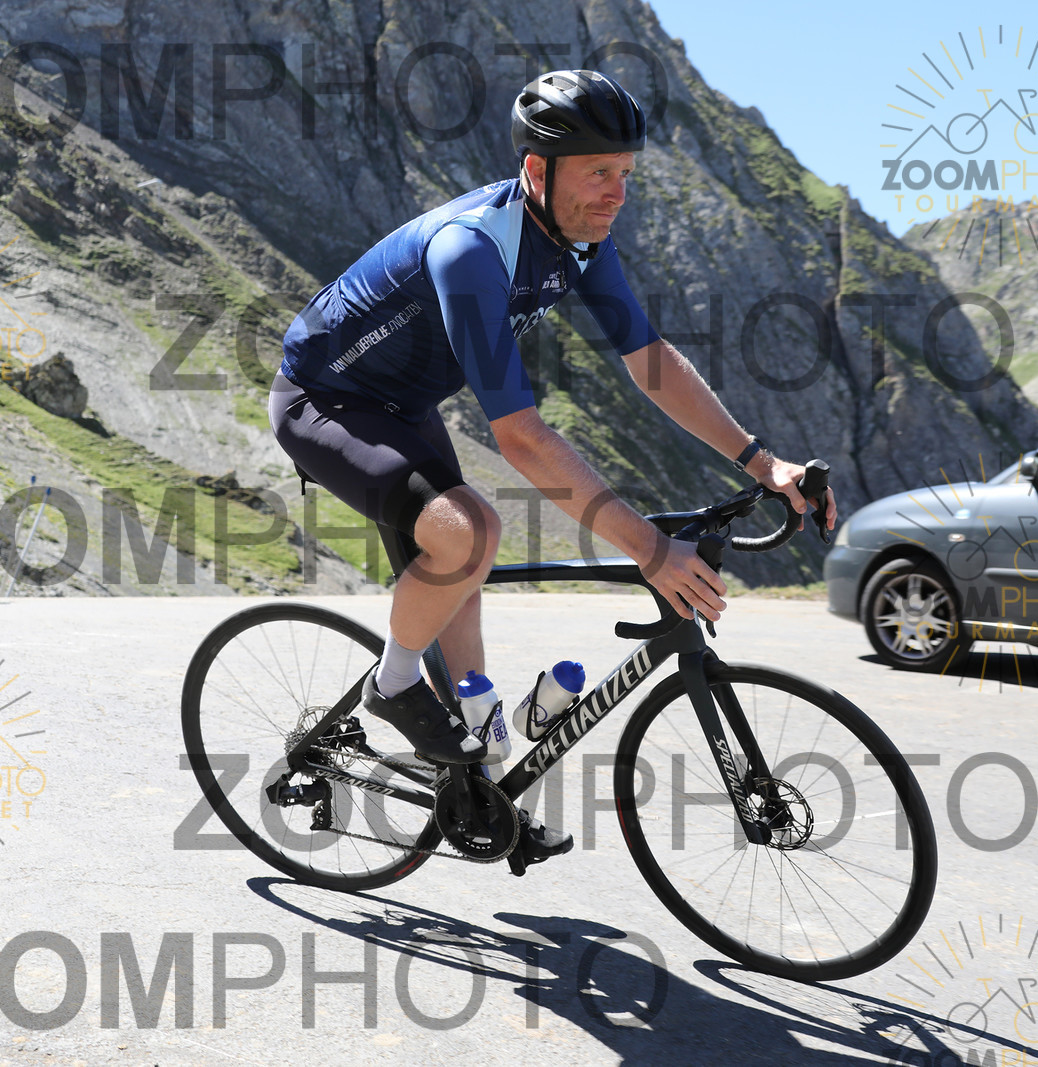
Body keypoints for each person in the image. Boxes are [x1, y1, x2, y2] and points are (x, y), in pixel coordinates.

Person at [270, 70, 836, 853]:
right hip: (325, 399)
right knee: (469, 531)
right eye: (599, 172)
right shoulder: (471, 249)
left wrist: (761, 463)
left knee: (462, 591)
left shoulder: (580, 241)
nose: (617, 194)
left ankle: (480, 797)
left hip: (406, 407)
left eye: (626, 173)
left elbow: (651, 362)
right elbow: (522, 436)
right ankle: (392, 683)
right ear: (538, 169)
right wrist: (649, 549)